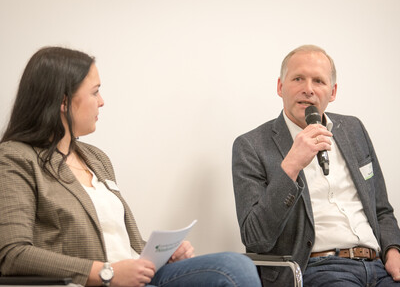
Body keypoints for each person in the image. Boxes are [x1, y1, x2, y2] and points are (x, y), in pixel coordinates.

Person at [0, 46, 262, 287]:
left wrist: (164, 254)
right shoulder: (16, 158)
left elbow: (124, 245)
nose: (101, 101)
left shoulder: (96, 158)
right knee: (231, 269)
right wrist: (106, 273)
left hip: (137, 279)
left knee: (234, 266)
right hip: (93, 282)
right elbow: (13, 254)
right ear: (64, 101)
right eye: (94, 92)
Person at [232, 44, 400, 286]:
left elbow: (382, 210)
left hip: (379, 265)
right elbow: (256, 238)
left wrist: (394, 250)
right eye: (298, 78)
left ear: (332, 92)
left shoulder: (354, 130)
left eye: (319, 81)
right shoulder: (251, 146)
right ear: (280, 87)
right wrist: (290, 166)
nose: (308, 89)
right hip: (319, 269)